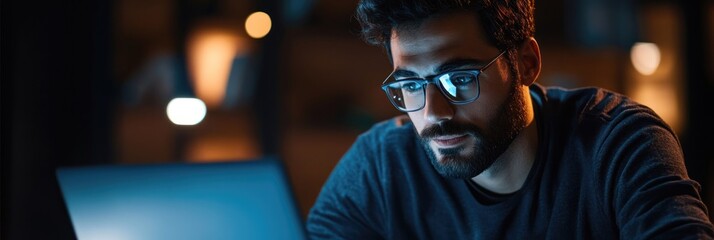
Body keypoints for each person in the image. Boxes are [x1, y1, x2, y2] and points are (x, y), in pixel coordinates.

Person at [306, 0, 714, 239]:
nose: (433, 113)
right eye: (411, 86)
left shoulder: (617, 143)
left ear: (526, 63)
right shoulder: (380, 166)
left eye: (459, 79)